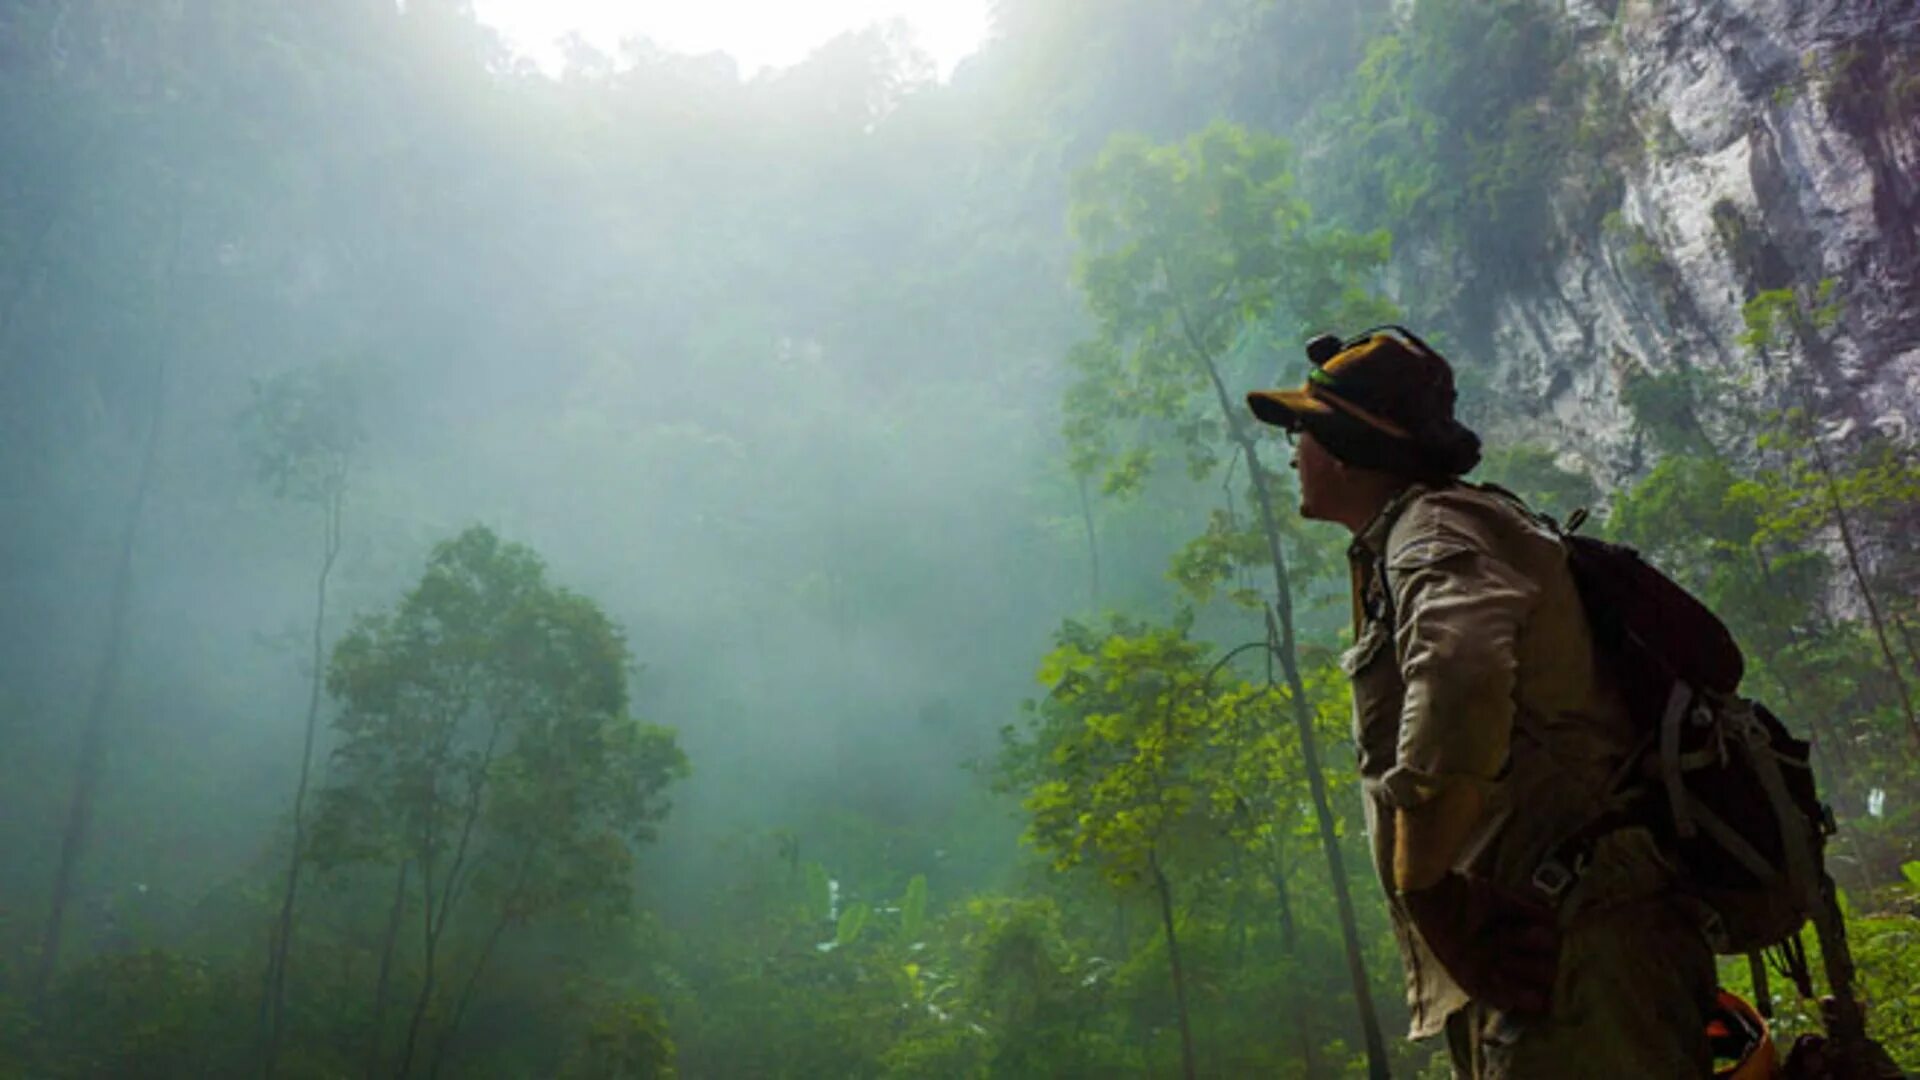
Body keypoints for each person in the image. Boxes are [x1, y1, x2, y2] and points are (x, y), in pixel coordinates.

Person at [1245, 329, 1717, 1078]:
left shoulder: (1433, 529)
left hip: (1574, 943)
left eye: (1300, 434)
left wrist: (1424, 887)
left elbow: (1461, 673)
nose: (1293, 454)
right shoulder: (1424, 532)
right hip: (1551, 941)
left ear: (1340, 448)